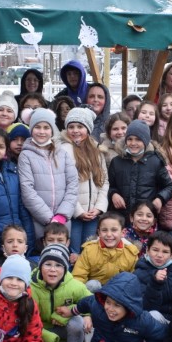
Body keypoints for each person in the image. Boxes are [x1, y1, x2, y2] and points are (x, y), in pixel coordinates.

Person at [30, 244, 91, 342]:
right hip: (39, 330)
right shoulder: (30, 286)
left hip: (63, 328)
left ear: (65, 268)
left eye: (58, 265)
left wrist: (86, 315)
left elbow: (90, 301)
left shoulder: (74, 285)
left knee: (77, 322)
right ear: (40, 266)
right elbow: (27, 318)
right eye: (48, 264)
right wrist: (48, 337)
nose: (53, 269)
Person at [18, 108, 80, 246]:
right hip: (39, 220)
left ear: (52, 130)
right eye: (37, 127)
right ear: (31, 129)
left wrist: (62, 215)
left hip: (63, 220)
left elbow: (73, 184)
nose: (42, 131)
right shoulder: (26, 155)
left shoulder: (62, 153)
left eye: (46, 127)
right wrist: (49, 219)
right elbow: (27, 190)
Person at [62, 107, 109, 255]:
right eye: (71, 127)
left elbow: (103, 181)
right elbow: (63, 185)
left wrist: (99, 207)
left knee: (90, 250)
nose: (75, 130)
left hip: (92, 212)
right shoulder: (63, 151)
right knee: (74, 251)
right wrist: (79, 211)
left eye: (80, 126)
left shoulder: (96, 152)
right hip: (74, 213)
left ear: (88, 129)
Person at [107, 119, 172, 218]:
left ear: (146, 141)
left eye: (138, 139)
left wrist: (160, 198)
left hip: (145, 217)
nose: (133, 143)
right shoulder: (116, 162)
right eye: (130, 139)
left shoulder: (155, 161)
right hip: (121, 217)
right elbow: (108, 185)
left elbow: (169, 186)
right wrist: (113, 194)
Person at [133, 231, 172, 322]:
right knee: (154, 315)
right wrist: (155, 283)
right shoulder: (139, 273)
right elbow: (146, 307)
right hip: (151, 320)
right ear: (147, 250)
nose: (159, 255)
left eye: (165, 252)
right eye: (155, 250)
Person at [73, 212, 141, 286]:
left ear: (123, 232)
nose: (109, 234)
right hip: (93, 292)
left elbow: (134, 280)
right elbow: (78, 276)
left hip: (118, 292)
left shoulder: (131, 253)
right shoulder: (89, 250)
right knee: (92, 285)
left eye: (114, 230)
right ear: (99, 232)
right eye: (104, 230)